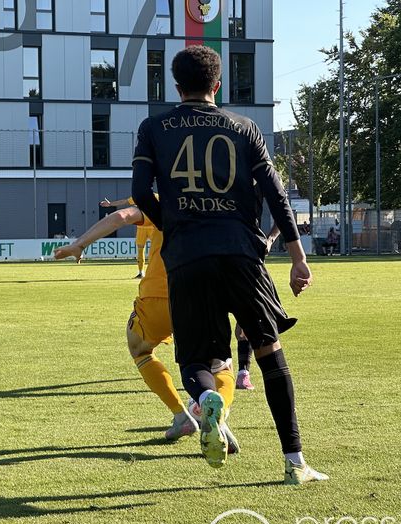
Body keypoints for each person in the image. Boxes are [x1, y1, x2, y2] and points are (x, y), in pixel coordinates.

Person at [130, 45, 327, 483]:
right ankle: (295, 462)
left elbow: (141, 192)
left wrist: (175, 226)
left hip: (188, 257)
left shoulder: (153, 128)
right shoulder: (244, 127)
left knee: (195, 360)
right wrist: (298, 258)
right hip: (242, 254)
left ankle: (204, 402)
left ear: (176, 87)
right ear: (217, 85)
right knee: (269, 353)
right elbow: (276, 195)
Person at [54, 196, 237, 443]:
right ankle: (220, 419)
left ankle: (181, 416)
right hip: (203, 299)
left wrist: (80, 244)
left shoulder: (167, 201)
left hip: (157, 297)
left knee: (140, 350)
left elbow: (122, 216)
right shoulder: (220, 203)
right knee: (220, 366)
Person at [100, 197, 154, 278]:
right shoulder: (138, 196)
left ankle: (155, 272)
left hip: (153, 227)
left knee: (156, 250)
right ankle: (141, 272)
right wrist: (110, 204)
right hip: (141, 228)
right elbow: (124, 201)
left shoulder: (157, 196)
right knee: (140, 251)